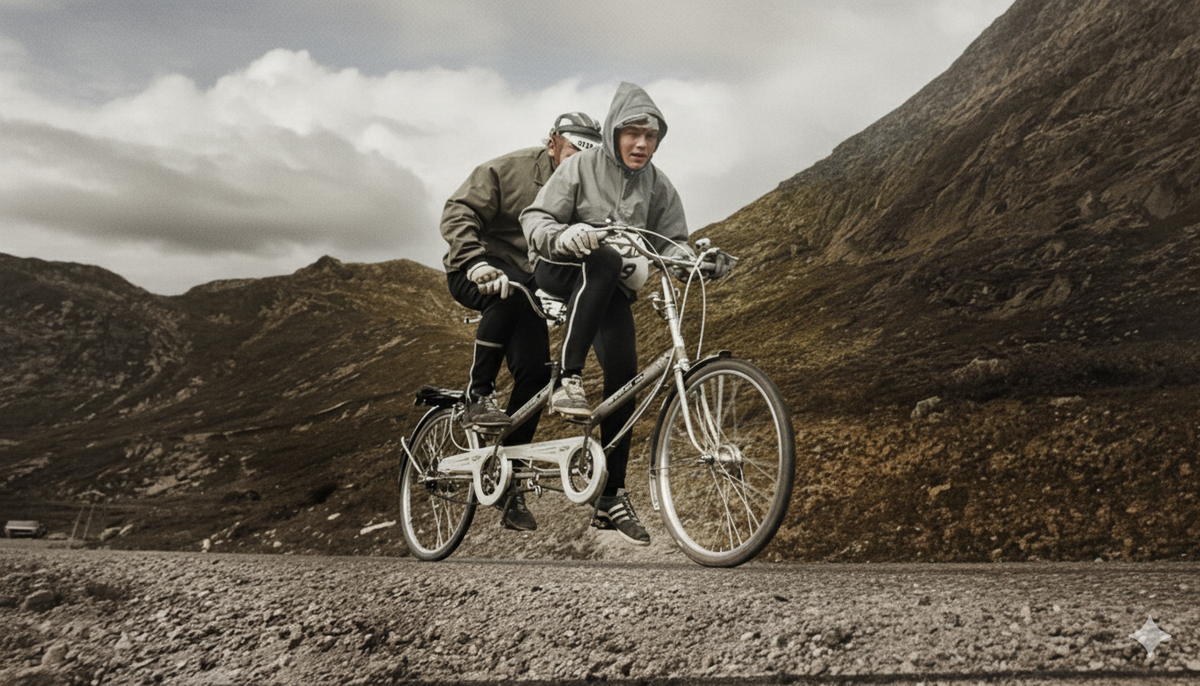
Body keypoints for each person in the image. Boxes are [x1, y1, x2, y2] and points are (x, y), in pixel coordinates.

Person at [520, 83, 694, 546]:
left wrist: (698, 262)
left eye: (650, 137)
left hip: (608, 286)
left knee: (625, 377)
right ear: (615, 132)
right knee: (603, 258)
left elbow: (673, 244)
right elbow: (534, 220)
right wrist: (565, 233)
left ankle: (611, 494)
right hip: (560, 266)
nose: (641, 144)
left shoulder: (659, 185)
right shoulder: (579, 166)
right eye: (632, 133)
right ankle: (568, 379)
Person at [440, 111, 602, 531]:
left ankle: (504, 479)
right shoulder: (508, 170)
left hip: (528, 283)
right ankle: (479, 394)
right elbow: (457, 210)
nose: (577, 165)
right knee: (506, 291)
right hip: (473, 268)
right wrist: (474, 261)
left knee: (535, 374)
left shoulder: (588, 190)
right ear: (553, 145)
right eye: (571, 153)